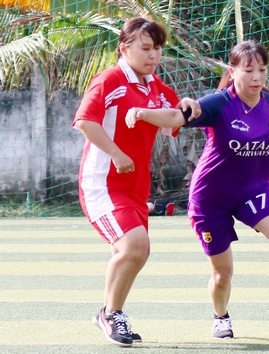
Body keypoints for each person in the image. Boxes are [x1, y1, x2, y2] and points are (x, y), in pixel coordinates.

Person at [125, 40, 269, 339]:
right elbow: (175, 117)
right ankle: (221, 316)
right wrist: (143, 112)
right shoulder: (219, 103)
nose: (257, 77)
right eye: (248, 70)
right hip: (211, 199)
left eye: (262, 70)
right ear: (233, 70)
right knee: (223, 273)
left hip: (253, 190)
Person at [72, 17, 200, 347]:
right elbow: (85, 122)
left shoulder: (152, 85)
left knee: (136, 251)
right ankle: (110, 314)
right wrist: (115, 153)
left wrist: (189, 105)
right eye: (145, 48)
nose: (153, 55)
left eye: (157, 48)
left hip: (135, 187)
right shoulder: (109, 79)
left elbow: (174, 117)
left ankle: (110, 312)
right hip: (102, 184)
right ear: (124, 47)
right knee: (135, 246)